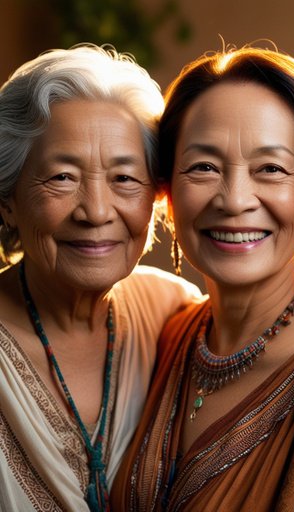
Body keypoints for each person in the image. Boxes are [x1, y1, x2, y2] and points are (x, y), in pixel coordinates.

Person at [110, 47, 294, 511]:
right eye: (204, 167)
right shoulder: (173, 332)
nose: (234, 200)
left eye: (270, 168)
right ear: (166, 193)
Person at [0, 45, 201, 511]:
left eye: (125, 178)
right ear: (7, 198)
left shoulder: (173, 313)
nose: (95, 211)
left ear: (155, 197)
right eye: (63, 177)